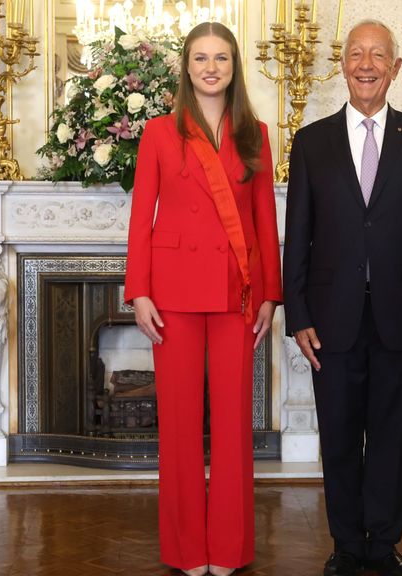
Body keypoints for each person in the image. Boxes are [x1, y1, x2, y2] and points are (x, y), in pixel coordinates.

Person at [282, 19, 402, 576]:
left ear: (395, 68)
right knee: (338, 435)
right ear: (343, 65)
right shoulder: (310, 142)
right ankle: (347, 546)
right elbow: (298, 235)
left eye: (378, 54)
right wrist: (298, 314)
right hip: (331, 320)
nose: (366, 63)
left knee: (391, 436)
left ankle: (383, 545)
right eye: (356, 53)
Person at [124, 22, 282, 576]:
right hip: (173, 293)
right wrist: (138, 291)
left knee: (235, 424)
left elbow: (265, 219)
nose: (210, 67)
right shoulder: (160, 134)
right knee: (180, 423)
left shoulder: (255, 134)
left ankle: (230, 549)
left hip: (238, 290)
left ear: (234, 67)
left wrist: (270, 295)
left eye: (221, 58)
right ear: (186, 68)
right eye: (200, 58)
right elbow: (142, 218)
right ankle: (188, 549)